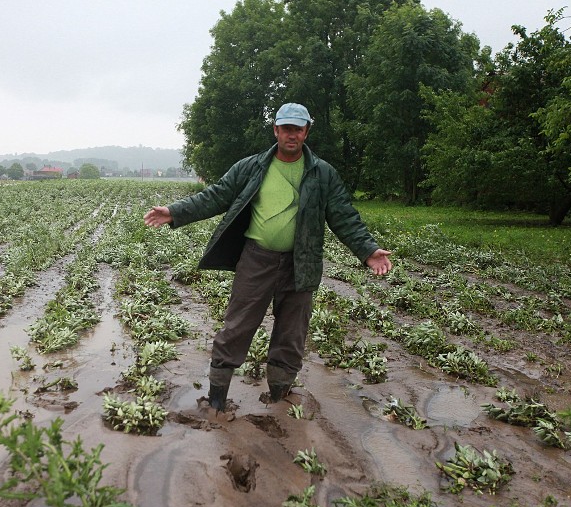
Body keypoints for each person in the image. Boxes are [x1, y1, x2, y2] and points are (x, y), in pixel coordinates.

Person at [144, 102, 392, 411]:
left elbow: (343, 215)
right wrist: (174, 211)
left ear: (306, 131)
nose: (291, 135)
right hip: (256, 260)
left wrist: (368, 250)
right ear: (276, 130)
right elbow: (217, 195)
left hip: (300, 263)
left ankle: (278, 397)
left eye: (297, 129)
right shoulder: (251, 166)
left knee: (291, 335)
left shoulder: (322, 173)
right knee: (236, 328)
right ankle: (217, 398)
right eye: (286, 128)